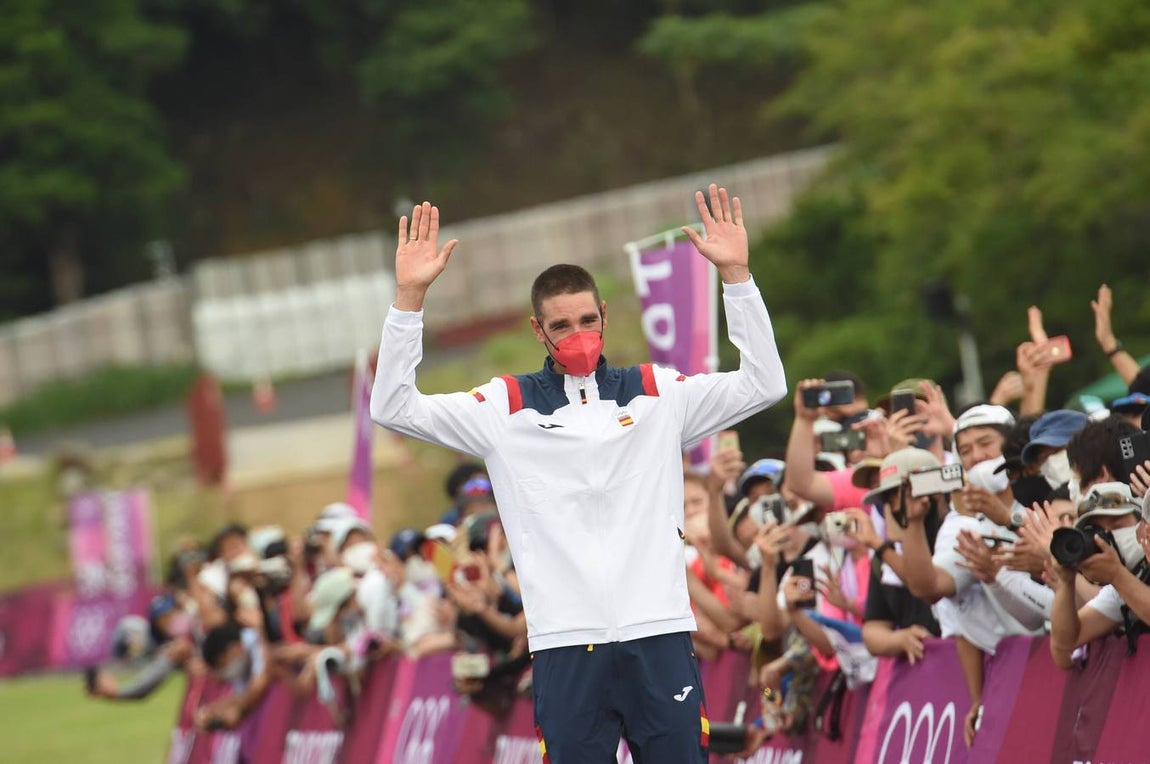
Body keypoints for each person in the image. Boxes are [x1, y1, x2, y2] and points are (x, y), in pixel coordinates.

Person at [370, 185, 787, 762]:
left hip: (659, 635)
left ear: (606, 317)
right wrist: (409, 299)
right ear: (538, 331)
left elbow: (764, 383)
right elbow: (392, 406)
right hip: (566, 647)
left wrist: (737, 277)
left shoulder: (658, 392)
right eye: (562, 325)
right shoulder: (503, 406)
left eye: (589, 320)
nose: (579, 336)